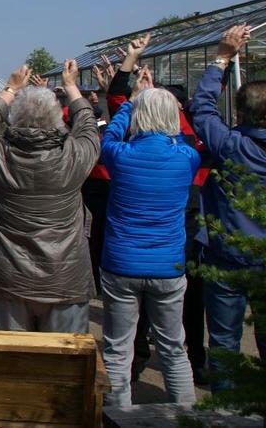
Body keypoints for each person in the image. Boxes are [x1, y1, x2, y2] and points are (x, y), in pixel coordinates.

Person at [0, 59, 100, 334]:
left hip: (9, 276)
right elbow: (88, 123)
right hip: (64, 277)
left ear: (15, 118)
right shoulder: (74, 155)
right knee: (64, 366)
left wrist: (10, 88)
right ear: (57, 119)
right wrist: (71, 86)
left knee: (12, 362)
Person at [99, 63, 200, 407]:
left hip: (121, 264)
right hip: (167, 266)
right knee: (174, 348)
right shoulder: (186, 157)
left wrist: (133, 101)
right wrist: (156, 100)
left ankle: (118, 415)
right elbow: (184, 134)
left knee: (117, 348)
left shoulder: (119, 156)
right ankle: (186, 415)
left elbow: (111, 133)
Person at [189, 24, 266, 391]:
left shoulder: (232, 147)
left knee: (223, 341)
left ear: (240, 115)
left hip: (227, 253)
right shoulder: (233, 144)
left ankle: (227, 412)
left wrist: (222, 58)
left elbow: (202, 109)